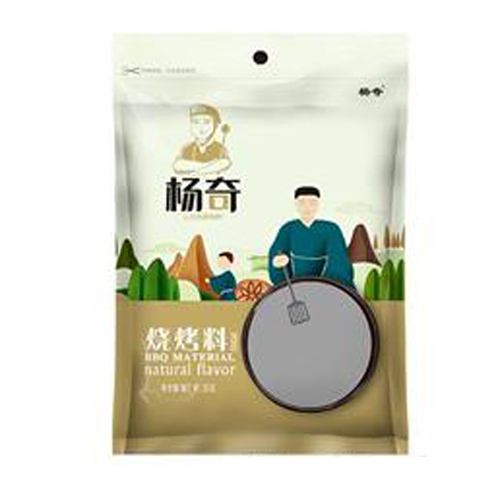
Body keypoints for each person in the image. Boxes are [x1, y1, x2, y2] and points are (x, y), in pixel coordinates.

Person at [268, 186, 354, 288]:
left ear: (318, 205)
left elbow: (338, 257)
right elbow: (278, 249)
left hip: (325, 283)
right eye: (302, 203)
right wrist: (278, 260)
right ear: (296, 205)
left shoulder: (331, 229)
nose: (307, 208)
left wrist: (329, 284)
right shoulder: (288, 228)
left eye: (312, 203)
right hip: (295, 283)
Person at [173, 104, 231, 176]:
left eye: (206, 122)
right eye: (196, 122)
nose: (201, 127)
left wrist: (196, 171)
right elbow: (178, 165)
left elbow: (224, 163)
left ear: (215, 125)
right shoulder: (186, 148)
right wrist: (210, 167)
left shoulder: (219, 148)